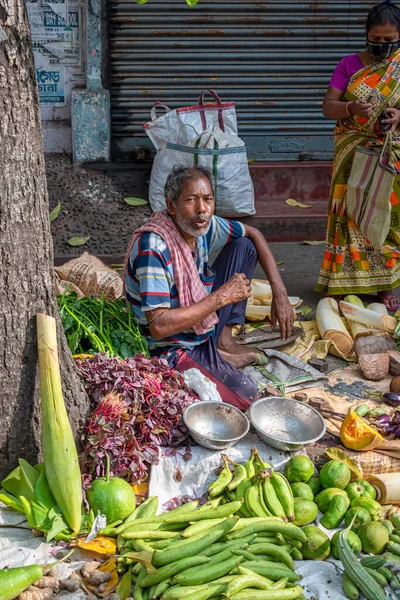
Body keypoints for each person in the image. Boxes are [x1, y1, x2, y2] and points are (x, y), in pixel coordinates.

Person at [124, 165, 294, 410]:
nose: (202, 209)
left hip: (199, 326)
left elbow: (254, 233)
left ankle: (221, 344)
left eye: (208, 200)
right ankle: (211, 358)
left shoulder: (205, 227)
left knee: (244, 246)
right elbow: (159, 326)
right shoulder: (154, 247)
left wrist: (280, 293)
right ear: (171, 206)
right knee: (246, 396)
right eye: (191, 200)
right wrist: (220, 297)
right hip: (168, 348)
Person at [316, 0, 400, 310]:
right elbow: (328, 107)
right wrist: (351, 107)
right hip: (352, 151)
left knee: (382, 216)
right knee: (347, 213)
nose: (382, 46)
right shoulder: (349, 64)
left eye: (389, 41)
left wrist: (398, 116)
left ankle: (383, 286)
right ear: (366, 35)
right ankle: (339, 283)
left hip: (388, 154)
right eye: (376, 40)